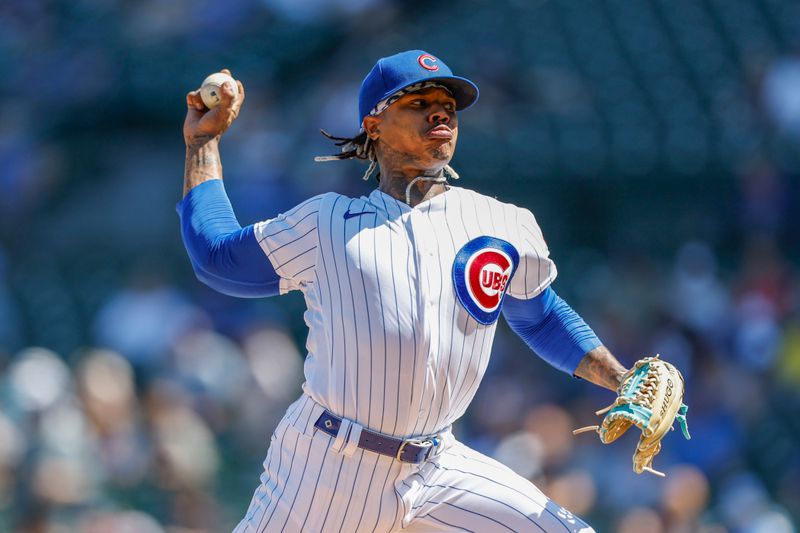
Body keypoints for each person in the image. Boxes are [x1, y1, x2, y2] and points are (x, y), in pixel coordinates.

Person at [179, 50, 628, 533]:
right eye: (417, 101)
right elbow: (217, 258)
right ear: (373, 124)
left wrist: (621, 379)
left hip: (441, 466)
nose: (440, 111)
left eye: (448, 104)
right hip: (330, 467)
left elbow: (539, 316)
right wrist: (203, 144)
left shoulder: (504, 223)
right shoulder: (326, 222)